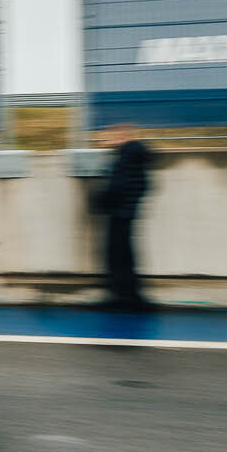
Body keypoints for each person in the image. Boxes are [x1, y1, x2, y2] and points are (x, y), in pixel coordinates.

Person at [90, 123, 154, 311]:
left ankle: (123, 298)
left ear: (122, 137)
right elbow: (143, 185)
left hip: (119, 211)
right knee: (124, 256)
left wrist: (102, 201)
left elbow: (117, 185)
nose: (105, 141)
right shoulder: (135, 155)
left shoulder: (126, 156)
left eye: (109, 137)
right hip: (126, 211)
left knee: (118, 257)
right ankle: (129, 297)